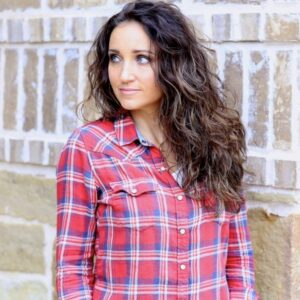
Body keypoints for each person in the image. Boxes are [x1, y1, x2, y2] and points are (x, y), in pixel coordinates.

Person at [56, 0, 259, 299]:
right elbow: (71, 269)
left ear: (175, 63)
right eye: (115, 58)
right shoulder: (89, 148)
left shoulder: (216, 142)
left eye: (141, 58)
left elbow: (238, 261)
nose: (123, 75)